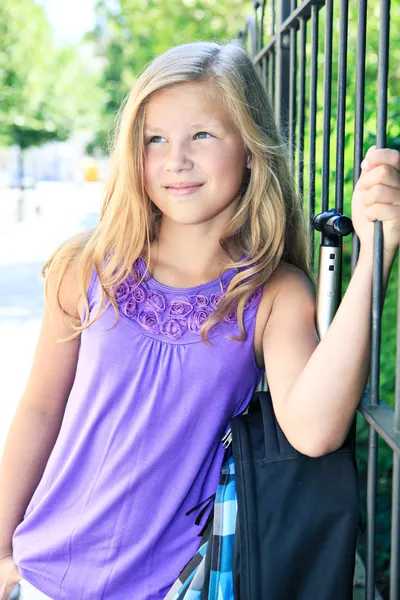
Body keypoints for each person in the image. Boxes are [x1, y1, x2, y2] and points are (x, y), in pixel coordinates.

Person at [0, 40, 399, 600]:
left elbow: (315, 430)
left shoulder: (273, 294)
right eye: (154, 139)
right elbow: (39, 409)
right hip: (44, 577)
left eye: (202, 136)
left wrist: (377, 256)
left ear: (251, 148)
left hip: (174, 586)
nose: (176, 159)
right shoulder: (85, 267)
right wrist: (1, 553)